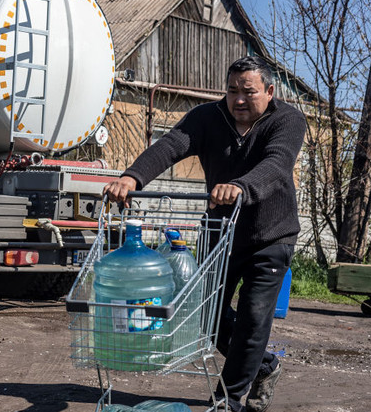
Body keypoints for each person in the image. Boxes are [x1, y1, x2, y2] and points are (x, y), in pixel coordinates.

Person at [103, 56, 306, 412]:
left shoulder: (287, 120)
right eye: (232, 91)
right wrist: (132, 177)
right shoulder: (207, 118)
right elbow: (169, 146)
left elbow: (276, 164)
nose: (239, 100)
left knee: (252, 319)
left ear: (269, 91)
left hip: (271, 236)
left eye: (249, 92)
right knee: (205, 317)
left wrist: (241, 186)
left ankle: (228, 399)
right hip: (220, 233)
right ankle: (265, 367)